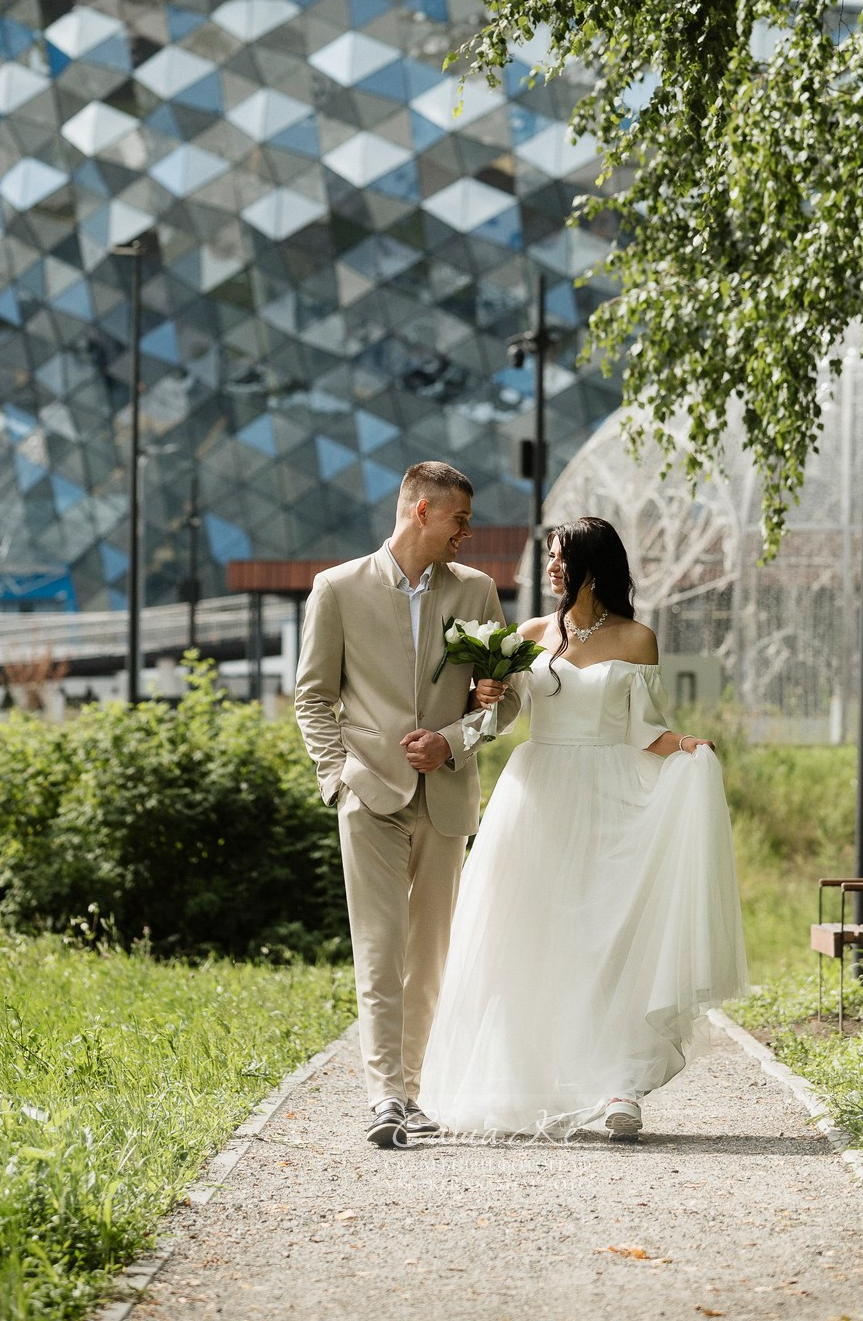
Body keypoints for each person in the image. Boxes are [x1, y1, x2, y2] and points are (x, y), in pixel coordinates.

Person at [419, 515, 748, 1140]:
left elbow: (641, 729)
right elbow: (501, 719)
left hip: (610, 793)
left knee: (606, 935)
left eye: (558, 557)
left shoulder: (636, 638)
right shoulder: (530, 635)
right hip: (537, 792)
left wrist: (686, 747)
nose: (548, 568)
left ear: (591, 566)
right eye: (548, 556)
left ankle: (619, 1085)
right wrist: (483, 699)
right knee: (534, 933)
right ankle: (530, 1078)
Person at [295, 461, 522, 1149]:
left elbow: (503, 699)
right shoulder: (335, 589)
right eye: (460, 520)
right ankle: (384, 1094)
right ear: (421, 510)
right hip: (369, 795)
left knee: (429, 954)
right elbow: (312, 697)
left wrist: (454, 740)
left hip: (447, 796)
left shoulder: (478, 592)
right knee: (379, 946)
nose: (467, 533)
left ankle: (413, 1091)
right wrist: (338, 778)